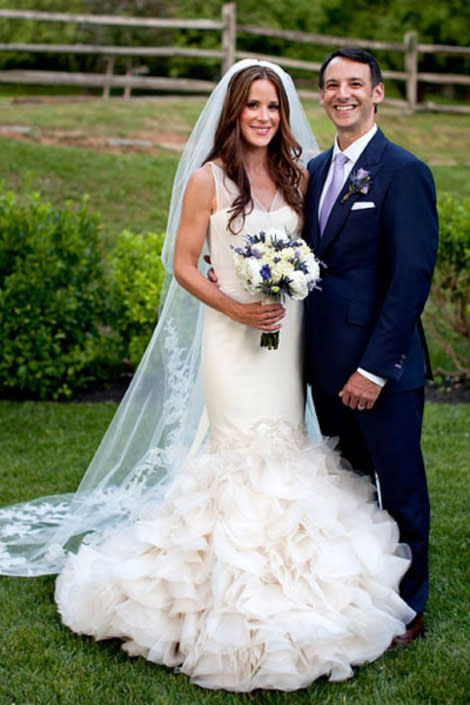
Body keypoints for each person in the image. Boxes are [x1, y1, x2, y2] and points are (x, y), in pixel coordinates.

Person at [1, 60, 414, 692]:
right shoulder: (209, 179)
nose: (263, 117)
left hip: (286, 341)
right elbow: (183, 262)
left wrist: (285, 292)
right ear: (233, 113)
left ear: (283, 114)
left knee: (287, 445)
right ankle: (221, 589)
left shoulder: (297, 176)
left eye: (273, 107)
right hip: (231, 340)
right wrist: (235, 306)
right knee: (239, 452)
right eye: (252, 106)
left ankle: (296, 580)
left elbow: (317, 254)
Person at [303, 48, 439, 646]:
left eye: (355, 84)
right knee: (350, 485)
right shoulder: (310, 170)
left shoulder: (403, 171)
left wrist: (375, 369)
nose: (342, 94)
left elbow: (412, 276)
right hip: (323, 363)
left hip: (381, 368)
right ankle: (359, 588)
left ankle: (409, 608)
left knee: (400, 487)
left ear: (377, 93)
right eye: (332, 85)